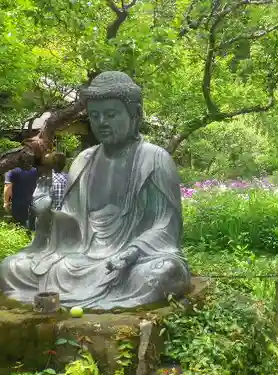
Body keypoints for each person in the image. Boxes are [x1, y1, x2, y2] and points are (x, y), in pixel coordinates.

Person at [0, 71, 191, 310]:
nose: (102, 122)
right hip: (81, 256)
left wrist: (132, 251)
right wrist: (47, 212)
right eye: (95, 115)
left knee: (162, 272)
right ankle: (96, 293)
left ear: (135, 115)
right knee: (11, 267)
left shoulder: (155, 159)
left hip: (133, 258)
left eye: (111, 114)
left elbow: (166, 225)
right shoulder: (84, 160)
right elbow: (72, 220)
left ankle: (107, 289)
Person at [3, 166, 38, 230]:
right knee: (33, 226)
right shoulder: (35, 170)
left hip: (18, 204)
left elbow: (8, 187)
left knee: (21, 227)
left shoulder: (11, 171)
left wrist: (6, 202)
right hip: (35, 202)